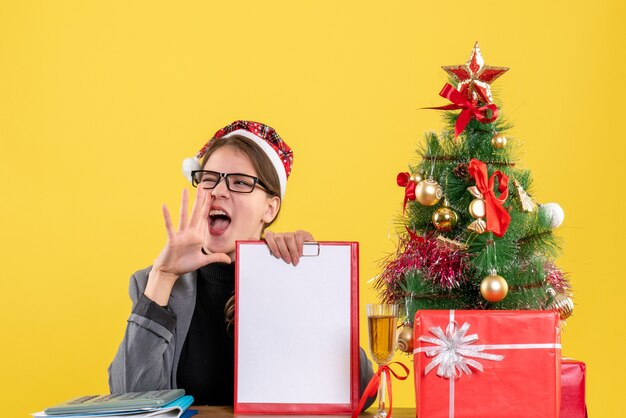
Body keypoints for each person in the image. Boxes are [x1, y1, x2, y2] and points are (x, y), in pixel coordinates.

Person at [108, 120, 375, 407]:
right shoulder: (152, 284)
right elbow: (128, 400)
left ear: (269, 209)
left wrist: (307, 283)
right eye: (209, 178)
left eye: (239, 182)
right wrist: (163, 275)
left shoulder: (288, 277)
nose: (218, 191)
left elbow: (363, 391)